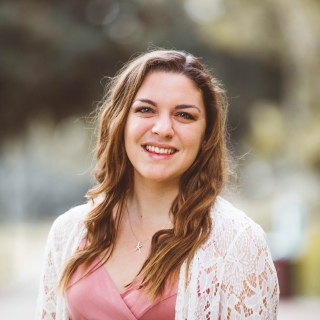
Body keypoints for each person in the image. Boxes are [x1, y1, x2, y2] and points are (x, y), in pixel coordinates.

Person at [35, 50, 279, 320]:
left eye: (184, 115)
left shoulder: (237, 243)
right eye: (145, 110)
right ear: (121, 121)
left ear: (206, 135)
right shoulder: (67, 233)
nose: (163, 128)